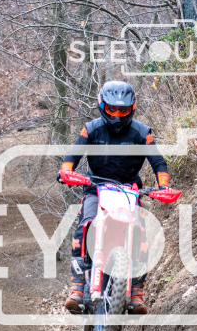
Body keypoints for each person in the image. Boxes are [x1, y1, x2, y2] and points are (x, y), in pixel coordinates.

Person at [59, 80, 170, 315]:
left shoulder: (142, 132)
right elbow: (73, 155)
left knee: (141, 232)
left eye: (123, 110)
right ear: (103, 106)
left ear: (132, 108)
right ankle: (77, 286)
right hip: (95, 188)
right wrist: (66, 171)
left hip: (129, 190)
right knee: (85, 226)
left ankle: (136, 291)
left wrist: (164, 186)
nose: (117, 116)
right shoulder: (91, 129)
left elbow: (158, 161)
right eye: (112, 109)